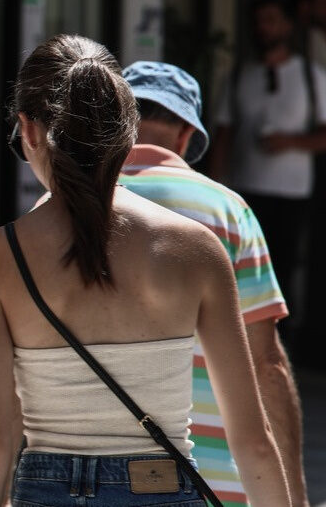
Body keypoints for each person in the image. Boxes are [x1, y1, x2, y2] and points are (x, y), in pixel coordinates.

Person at [0, 35, 289, 506]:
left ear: (28, 131)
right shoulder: (197, 249)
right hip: (162, 486)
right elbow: (253, 442)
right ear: (128, 131)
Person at [119, 60, 308, 506]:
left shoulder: (65, 208)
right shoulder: (227, 211)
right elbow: (266, 362)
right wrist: (293, 493)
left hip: (86, 480)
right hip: (212, 479)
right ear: (186, 135)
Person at [207, 0, 326, 328]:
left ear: (287, 26)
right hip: (245, 189)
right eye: (259, 21)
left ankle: (283, 336)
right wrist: (215, 187)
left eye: (272, 20)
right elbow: (224, 134)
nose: (264, 28)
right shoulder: (239, 77)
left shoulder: (311, 77)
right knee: (246, 268)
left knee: (285, 265)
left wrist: (290, 142)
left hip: (292, 191)